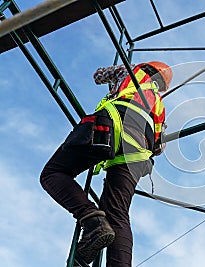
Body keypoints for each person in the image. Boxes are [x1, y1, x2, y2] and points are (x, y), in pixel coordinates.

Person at [40, 61, 172, 267]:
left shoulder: (131, 72)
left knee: (53, 173)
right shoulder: (160, 108)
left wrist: (113, 84)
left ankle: (92, 220)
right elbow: (159, 148)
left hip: (110, 128)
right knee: (118, 213)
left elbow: (99, 76)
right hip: (137, 154)